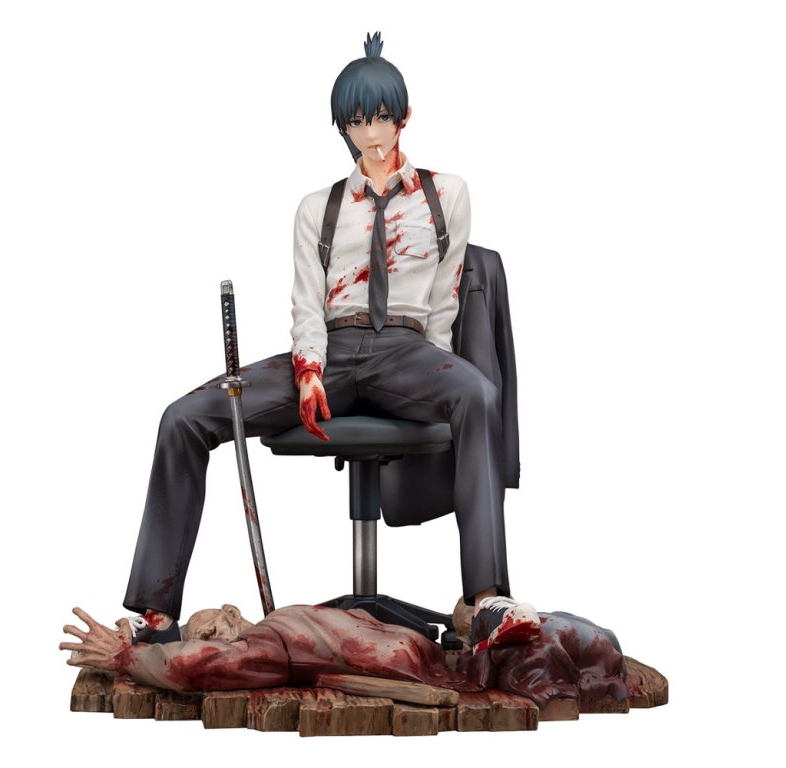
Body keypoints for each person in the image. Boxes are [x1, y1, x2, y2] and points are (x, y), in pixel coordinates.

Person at [122, 31, 522, 643]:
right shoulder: (320, 208)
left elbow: (444, 298)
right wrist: (308, 370)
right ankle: (156, 614)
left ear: (404, 116)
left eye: (381, 117)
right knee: (184, 416)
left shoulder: (447, 195)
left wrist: (436, 373)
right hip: (332, 351)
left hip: (407, 351)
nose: (371, 134)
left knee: (479, 395)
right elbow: (307, 300)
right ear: (343, 127)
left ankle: (488, 600)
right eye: (357, 122)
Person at [60, 603, 629, 711]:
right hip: (422, 655)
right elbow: (204, 664)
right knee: (574, 642)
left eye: (207, 629)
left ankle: (502, 621)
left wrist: (127, 657)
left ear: (232, 616)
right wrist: (132, 656)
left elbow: (200, 664)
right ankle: (504, 622)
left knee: (568, 642)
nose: (206, 638)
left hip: (421, 655)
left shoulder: (273, 635)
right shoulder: (282, 637)